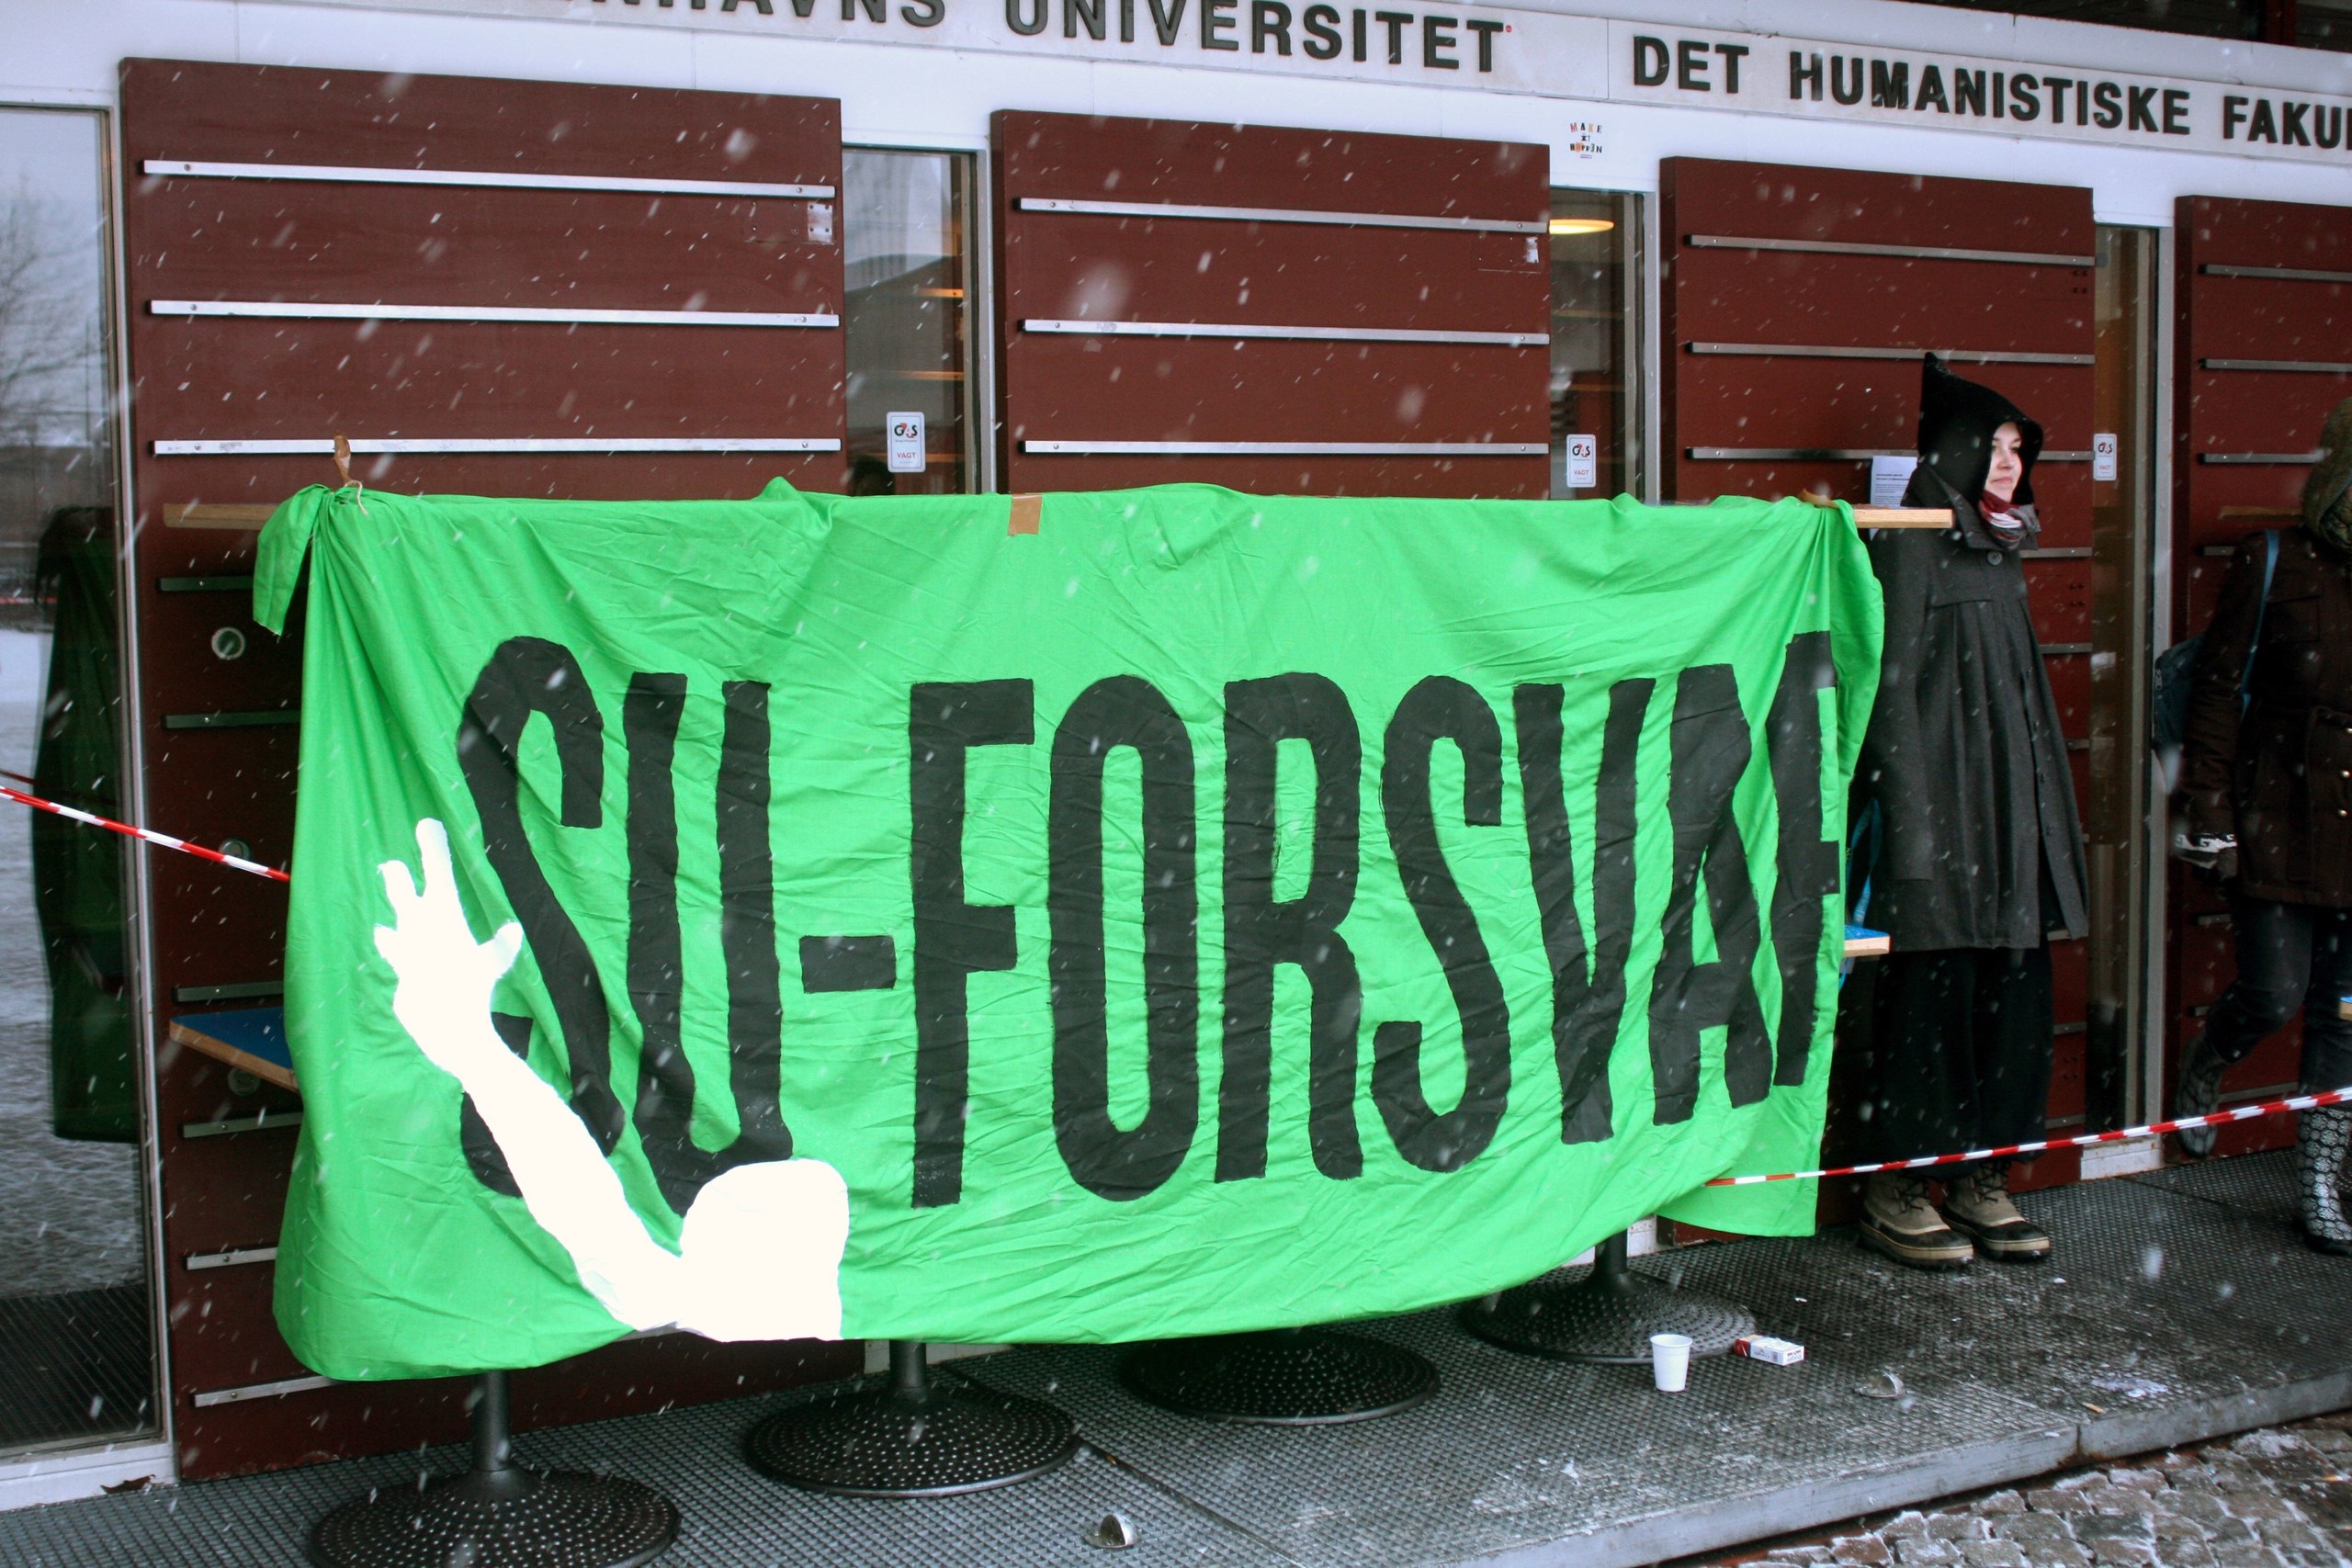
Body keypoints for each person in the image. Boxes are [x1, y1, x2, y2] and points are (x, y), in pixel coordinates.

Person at [1847, 355, 2090, 1270]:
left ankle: (1982, 1176)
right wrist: (1911, 827)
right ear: (1951, 449)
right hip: (1944, 830)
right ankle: (1898, 1185)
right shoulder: (1912, 536)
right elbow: (1890, 688)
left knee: (2012, 1003)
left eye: (2017, 447)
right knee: (1927, 1007)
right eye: (1991, 444)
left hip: (2011, 823)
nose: (2006, 462)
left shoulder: (2003, 541)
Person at [2172, 395, 2352, 1258]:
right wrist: (2211, 817)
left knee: (2344, 1016)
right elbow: (2215, 696)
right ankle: (2208, 1060)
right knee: (2276, 991)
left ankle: (2319, 1187)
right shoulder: (2278, 560)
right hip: (2275, 819)